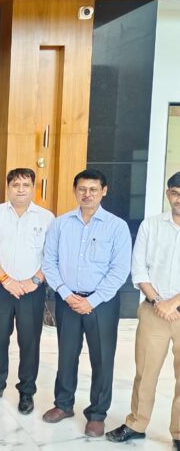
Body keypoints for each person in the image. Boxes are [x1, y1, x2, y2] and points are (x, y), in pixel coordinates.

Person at [41, 169, 131, 437]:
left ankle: (97, 414)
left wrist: (92, 300)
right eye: (82, 189)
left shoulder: (117, 226)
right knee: (66, 354)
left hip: (102, 303)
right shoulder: (60, 224)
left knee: (102, 358)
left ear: (104, 191)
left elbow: (119, 270)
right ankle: (63, 404)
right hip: (67, 299)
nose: (87, 194)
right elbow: (49, 262)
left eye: (93, 189)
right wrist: (66, 294)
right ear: (75, 191)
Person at [106, 171, 180, 447]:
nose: (179, 199)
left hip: (174, 307)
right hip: (153, 311)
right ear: (168, 194)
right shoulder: (151, 225)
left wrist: (173, 302)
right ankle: (136, 423)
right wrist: (159, 301)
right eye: (175, 193)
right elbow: (138, 269)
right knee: (145, 373)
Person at [0, 168, 54, 414]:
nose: (21, 189)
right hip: (0, 287)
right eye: (16, 185)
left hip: (32, 288)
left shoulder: (46, 217)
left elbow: (52, 256)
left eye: (26, 185)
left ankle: (27, 391)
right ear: (8, 187)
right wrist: (6, 280)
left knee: (29, 341)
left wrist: (35, 280)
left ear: (33, 188)